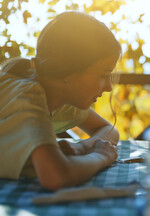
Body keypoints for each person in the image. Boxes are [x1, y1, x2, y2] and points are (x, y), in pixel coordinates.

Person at [0, 11, 121, 191]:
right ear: (68, 71)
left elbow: (109, 130)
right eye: (103, 75)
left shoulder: (57, 95)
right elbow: (56, 177)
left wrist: (82, 148)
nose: (109, 87)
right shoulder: (28, 96)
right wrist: (100, 156)